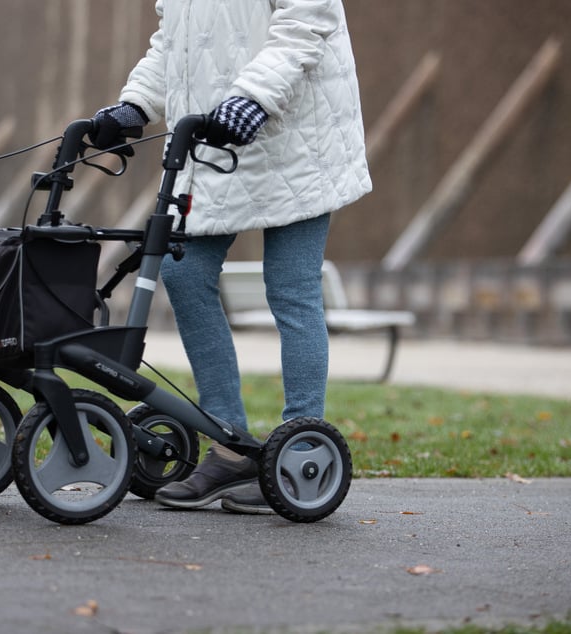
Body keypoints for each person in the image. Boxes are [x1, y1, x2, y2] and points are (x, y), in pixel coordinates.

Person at [90, 0, 371, 514]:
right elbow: (174, 44)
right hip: (218, 143)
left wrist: (253, 97)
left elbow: (305, 23)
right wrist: (136, 104)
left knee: (291, 288)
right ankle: (230, 444)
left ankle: (300, 446)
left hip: (295, 138)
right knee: (183, 271)